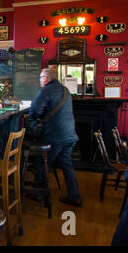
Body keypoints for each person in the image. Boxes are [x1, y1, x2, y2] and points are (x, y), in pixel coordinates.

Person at [29, 68, 82, 207]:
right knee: (66, 164)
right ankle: (74, 195)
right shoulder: (65, 90)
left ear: (46, 78)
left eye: (40, 77)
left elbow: (35, 111)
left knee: (43, 162)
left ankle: (39, 193)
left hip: (54, 136)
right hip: (70, 135)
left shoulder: (46, 91)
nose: (40, 80)